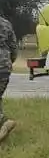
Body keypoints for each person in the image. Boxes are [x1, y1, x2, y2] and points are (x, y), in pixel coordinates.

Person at [0, 14, 17, 143]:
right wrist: (8, 62)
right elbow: (13, 48)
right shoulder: (6, 23)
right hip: (5, 67)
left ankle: (4, 122)